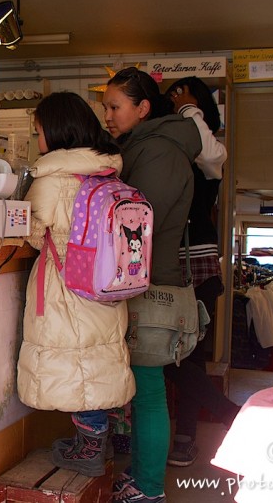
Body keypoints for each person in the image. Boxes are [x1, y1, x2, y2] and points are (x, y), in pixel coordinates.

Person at [17, 91, 136, 478]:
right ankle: (106, 438)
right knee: (96, 360)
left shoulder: (53, 178)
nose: (38, 141)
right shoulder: (108, 170)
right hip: (107, 286)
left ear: (55, 131)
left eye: (38, 132)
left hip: (68, 286)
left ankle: (88, 449)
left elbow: (34, 235)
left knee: (79, 367)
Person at [102, 67, 202, 502]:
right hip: (143, 282)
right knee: (144, 391)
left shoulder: (159, 151)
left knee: (148, 392)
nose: (107, 115)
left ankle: (149, 488)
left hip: (150, 284)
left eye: (114, 106)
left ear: (142, 108)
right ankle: (142, 478)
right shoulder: (146, 145)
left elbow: (136, 223)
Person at [163, 77, 240, 467]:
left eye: (186, 100)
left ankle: (199, 432)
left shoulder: (209, 153)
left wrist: (190, 108)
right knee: (179, 356)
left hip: (199, 261)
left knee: (182, 356)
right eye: (173, 99)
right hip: (168, 262)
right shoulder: (166, 148)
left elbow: (211, 154)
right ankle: (199, 432)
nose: (178, 102)